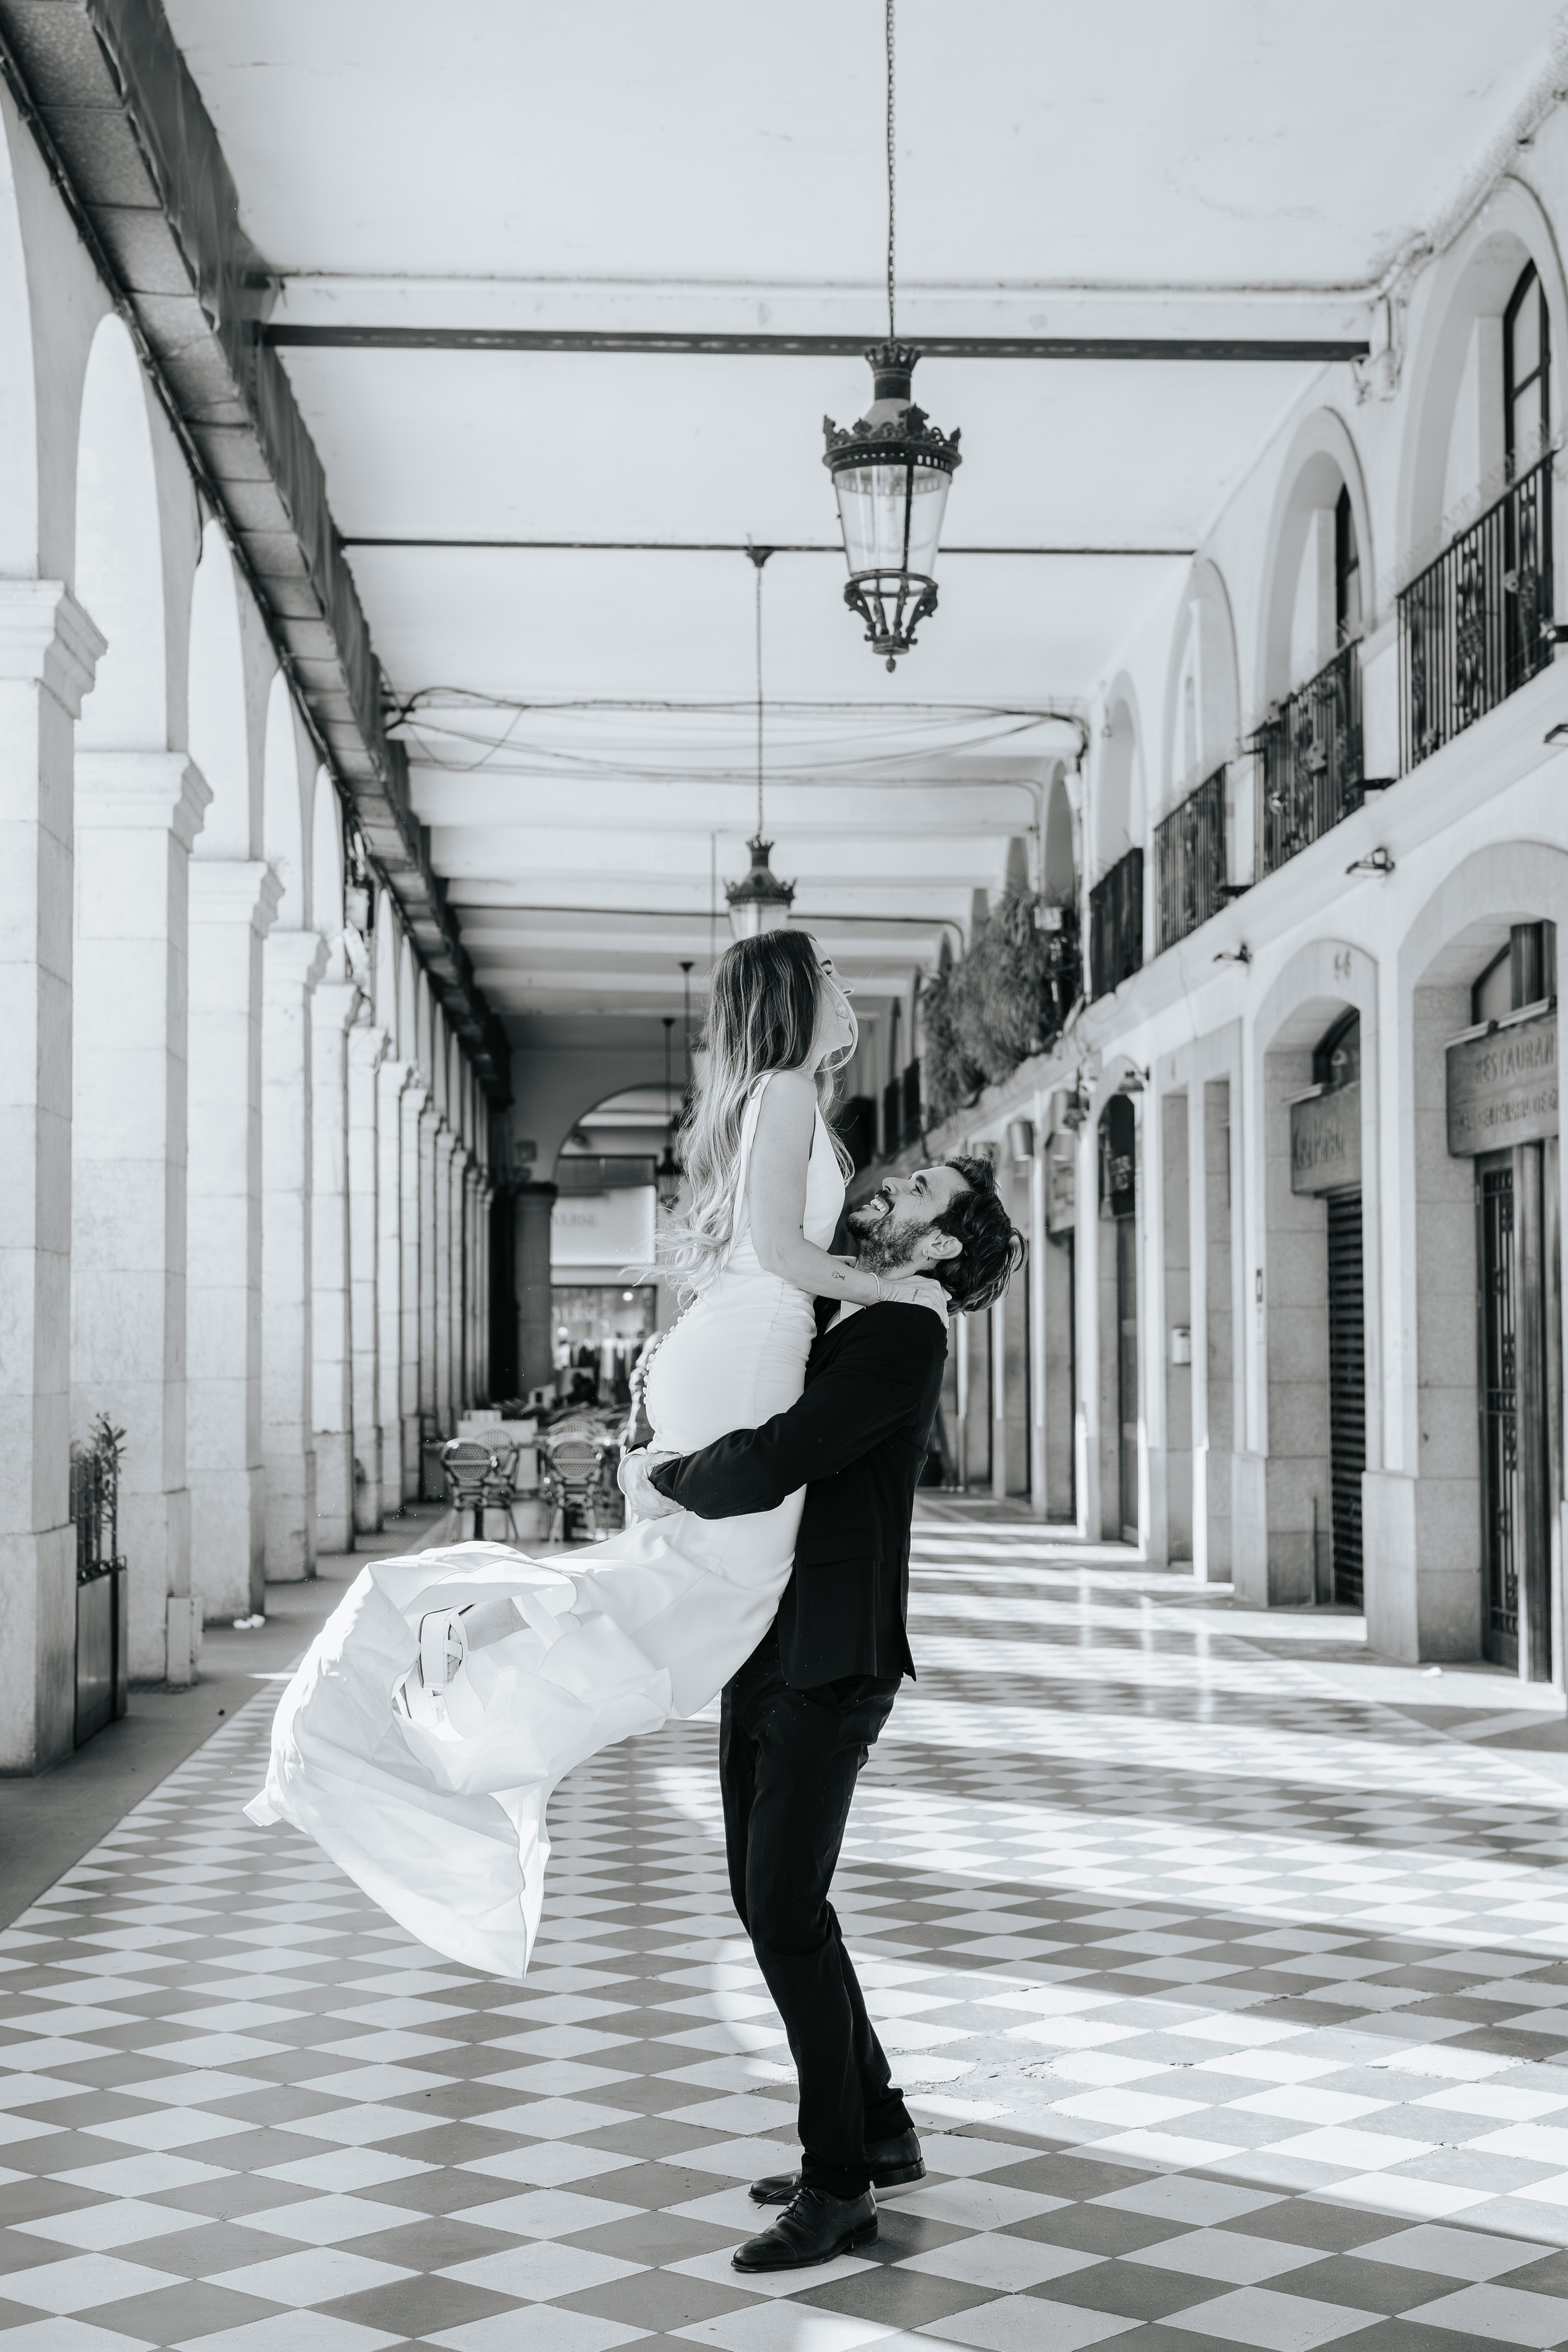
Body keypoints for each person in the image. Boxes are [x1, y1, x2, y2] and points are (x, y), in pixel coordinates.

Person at [247, 930, 934, 1977]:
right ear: (795, 995)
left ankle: (473, 1629)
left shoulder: (775, 1099)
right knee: (719, 1587)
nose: (848, 987)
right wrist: (893, 1288)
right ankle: (469, 1634)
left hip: (740, 1341)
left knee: (688, 1581)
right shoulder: (788, 1092)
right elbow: (787, 1252)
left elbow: (761, 1250)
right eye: (833, 974)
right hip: (756, 1345)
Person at [621, 1158, 1025, 2271]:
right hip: (777, 1643)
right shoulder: (864, 1315)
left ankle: (837, 2183)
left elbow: (789, 1455)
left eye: (916, 1193)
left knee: (784, 1910)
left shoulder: (904, 1335)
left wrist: (670, 1475)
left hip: (830, 1660)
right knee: (778, 1906)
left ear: (942, 1245)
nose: (888, 1189)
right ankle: (880, 2127)